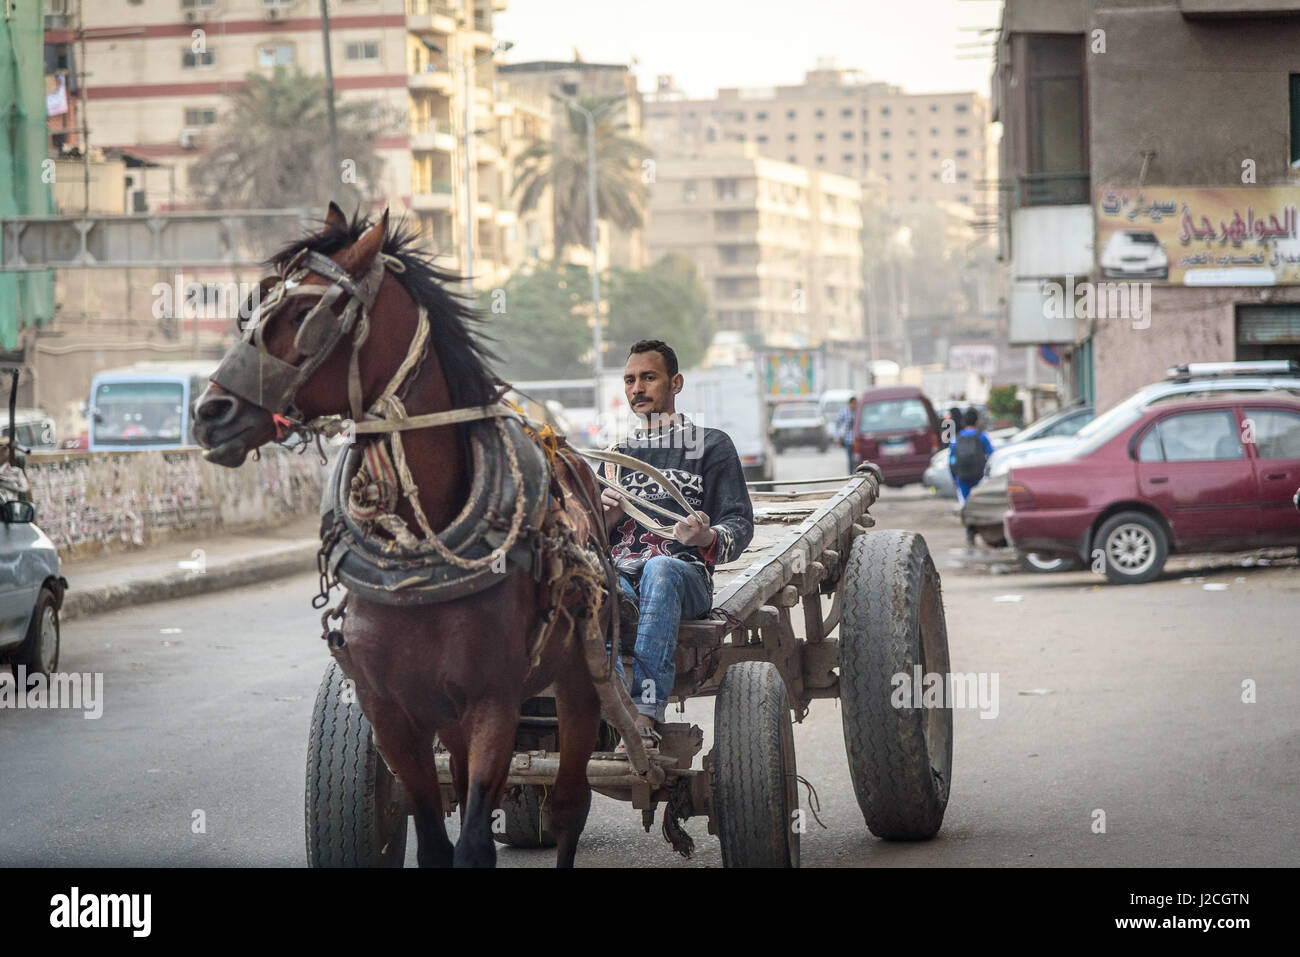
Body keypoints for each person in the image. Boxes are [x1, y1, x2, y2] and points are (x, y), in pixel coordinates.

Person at [601, 340, 754, 752]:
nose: (637, 388)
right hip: (624, 573)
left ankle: (645, 715)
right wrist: (605, 521)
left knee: (660, 569)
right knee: (596, 580)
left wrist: (705, 537)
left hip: (683, 577)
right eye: (630, 380)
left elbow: (740, 524)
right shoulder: (615, 458)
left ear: (676, 383)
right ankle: (614, 710)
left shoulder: (711, 446)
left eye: (649, 377)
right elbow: (588, 536)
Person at [949, 406, 993, 545]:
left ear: (963, 422)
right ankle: (985, 532)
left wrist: (954, 478)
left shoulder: (956, 439)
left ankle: (970, 532)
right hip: (980, 477)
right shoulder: (982, 436)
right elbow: (992, 455)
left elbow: (951, 460)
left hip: (962, 478)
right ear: (977, 421)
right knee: (981, 503)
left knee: (967, 504)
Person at [835, 395, 858, 474]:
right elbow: (838, 425)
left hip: (857, 440)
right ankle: (851, 475)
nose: (855, 405)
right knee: (851, 460)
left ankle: (857, 474)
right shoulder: (844, 413)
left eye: (856, 404)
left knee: (857, 459)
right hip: (848, 440)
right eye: (853, 404)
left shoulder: (858, 412)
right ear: (850, 403)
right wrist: (837, 436)